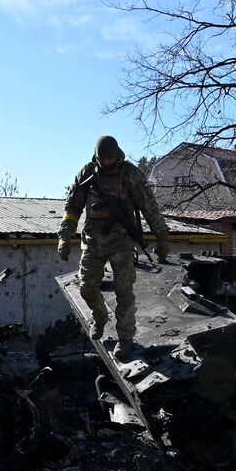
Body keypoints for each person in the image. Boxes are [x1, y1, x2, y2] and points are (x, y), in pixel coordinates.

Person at [58, 136, 170, 356]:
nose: (106, 162)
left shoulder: (130, 174)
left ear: (117, 154)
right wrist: (64, 236)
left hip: (122, 242)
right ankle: (100, 318)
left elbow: (150, 207)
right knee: (86, 287)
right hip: (93, 241)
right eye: (103, 159)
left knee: (124, 291)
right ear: (97, 156)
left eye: (110, 158)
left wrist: (162, 238)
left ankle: (125, 338)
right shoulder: (87, 172)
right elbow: (72, 206)